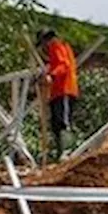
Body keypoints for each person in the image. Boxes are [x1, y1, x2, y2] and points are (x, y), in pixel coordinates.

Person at [37, 29, 78, 159]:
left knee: (63, 122)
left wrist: (52, 76)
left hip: (64, 90)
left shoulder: (57, 46)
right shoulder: (58, 49)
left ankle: (67, 151)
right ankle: (61, 152)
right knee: (56, 124)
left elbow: (63, 65)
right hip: (57, 92)